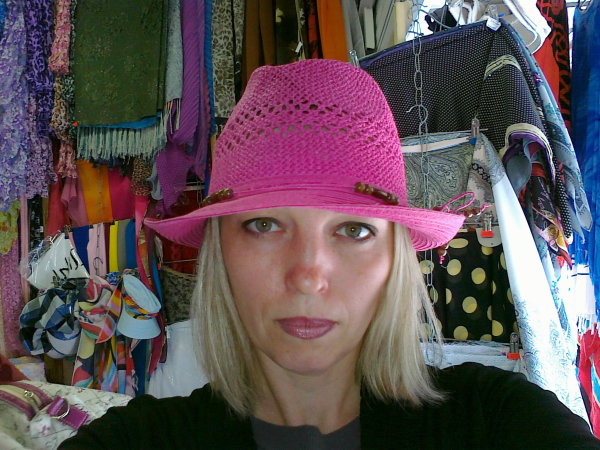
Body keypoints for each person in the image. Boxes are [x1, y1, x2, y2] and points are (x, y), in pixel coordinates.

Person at [59, 59, 599, 449]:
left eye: (354, 230)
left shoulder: (497, 421)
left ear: (395, 259)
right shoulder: (141, 439)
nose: (308, 275)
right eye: (264, 225)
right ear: (221, 251)